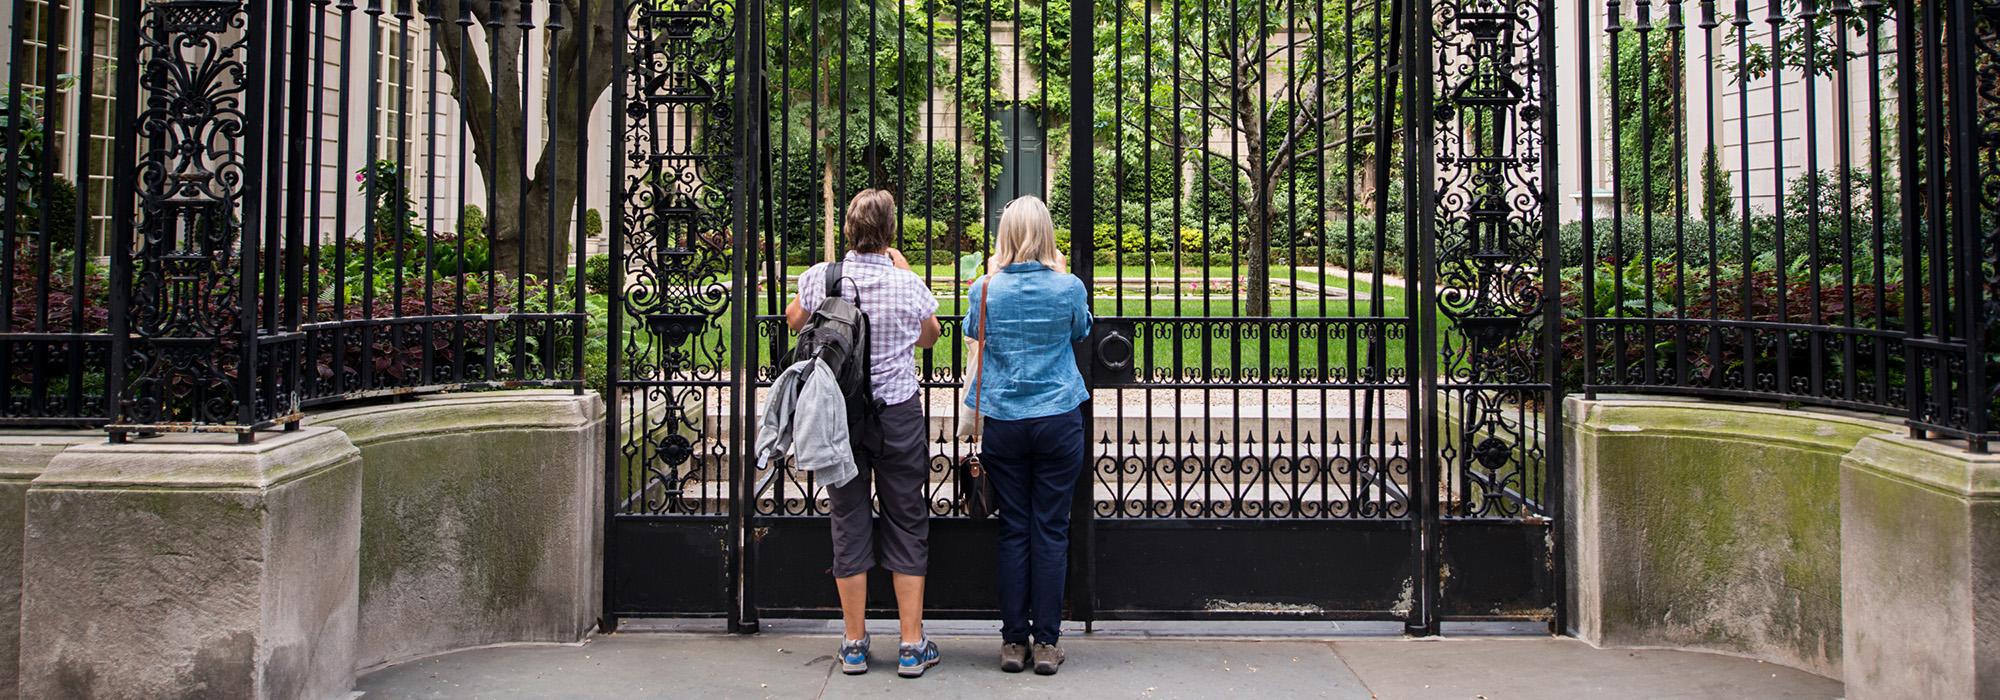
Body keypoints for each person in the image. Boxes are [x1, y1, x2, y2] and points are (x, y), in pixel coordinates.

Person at [785, 189, 944, 678]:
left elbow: (794, 322)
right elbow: (930, 334)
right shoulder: (907, 283)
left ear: (849, 230)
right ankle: (912, 644)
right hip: (895, 411)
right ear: (890, 232)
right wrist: (900, 273)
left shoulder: (820, 278)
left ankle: (854, 643)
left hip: (840, 416)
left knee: (848, 516)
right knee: (906, 517)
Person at [963, 196, 1093, 675]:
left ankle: (1013, 642)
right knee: (1051, 528)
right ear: (1046, 235)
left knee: (1014, 528)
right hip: (1058, 415)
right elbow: (1082, 331)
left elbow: (970, 331)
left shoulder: (985, 288)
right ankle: (1046, 643)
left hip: (1005, 420)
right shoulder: (1068, 287)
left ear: (1005, 236)